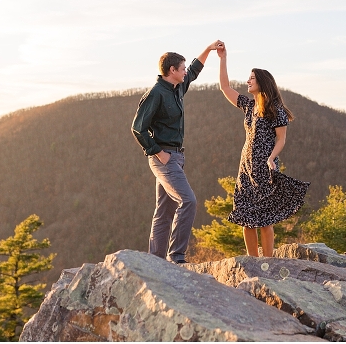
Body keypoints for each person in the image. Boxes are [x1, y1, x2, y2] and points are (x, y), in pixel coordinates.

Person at [132, 41, 223, 264]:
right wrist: (157, 153)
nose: (185, 72)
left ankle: (155, 261)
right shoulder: (156, 93)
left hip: (176, 158)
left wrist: (210, 49)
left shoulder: (178, 87)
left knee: (164, 213)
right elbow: (138, 128)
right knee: (188, 201)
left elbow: (194, 69)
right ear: (172, 71)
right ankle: (177, 257)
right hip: (164, 158)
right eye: (181, 68)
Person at [216, 43, 309, 257]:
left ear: (262, 82)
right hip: (245, 168)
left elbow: (281, 139)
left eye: (251, 78)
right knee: (246, 217)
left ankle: (268, 263)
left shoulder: (275, 110)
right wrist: (223, 58)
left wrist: (272, 158)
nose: (248, 81)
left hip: (264, 167)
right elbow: (225, 87)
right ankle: (252, 261)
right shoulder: (249, 106)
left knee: (265, 219)